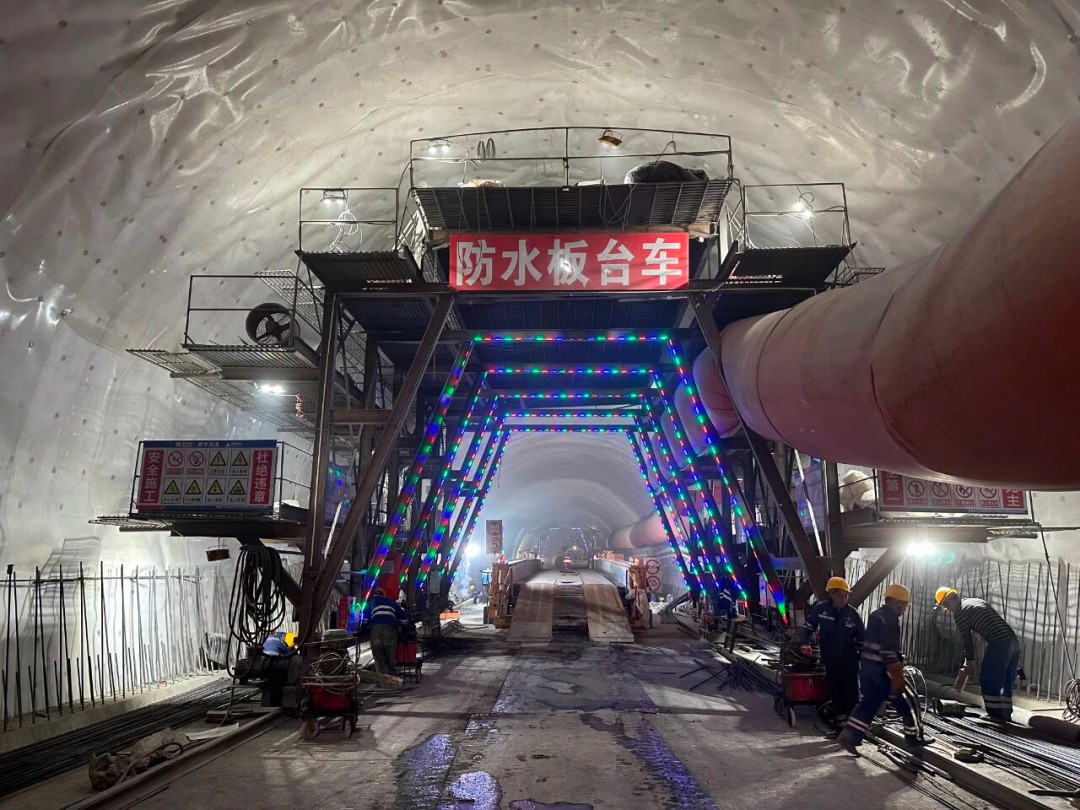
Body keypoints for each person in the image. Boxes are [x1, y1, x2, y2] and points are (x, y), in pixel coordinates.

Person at [837, 583, 933, 754]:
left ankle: (849, 736)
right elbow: (888, 650)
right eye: (904, 605)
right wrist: (896, 675)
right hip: (884, 672)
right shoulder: (890, 619)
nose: (904, 609)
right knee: (909, 701)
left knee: (868, 704)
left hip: (867, 670)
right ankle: (914, 738)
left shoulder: (875, 615)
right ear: (896, 602)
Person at [936, 587, 1022, 723]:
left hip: (999, 643)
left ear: (947, 602)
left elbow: (967, 638)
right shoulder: (975, 601)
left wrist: (969, 660)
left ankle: (995, 715)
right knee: (1006, 682)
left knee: (989, 678)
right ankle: (1006, 714)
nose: (949, 610)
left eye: (946, 607)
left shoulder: (960, 612)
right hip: (1014, 642)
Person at [799, 576, 864, 732]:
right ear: (831, 594)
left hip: (850, 661)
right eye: (840, 595)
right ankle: (840, 723)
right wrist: (805, 643)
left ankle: (852, 725)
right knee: (835, 691)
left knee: (852, 692)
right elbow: (808, 627)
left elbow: (862, 638)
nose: (844, 599)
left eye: (846, 596)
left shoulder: (853, 614)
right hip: (830, 659)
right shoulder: (821, 609)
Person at [368, 587, 408, 676]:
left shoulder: (371, 602)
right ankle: (392, 677)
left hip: (376, 630)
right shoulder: (391, 602)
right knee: (390, 653)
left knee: (378, 655)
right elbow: (404, 618)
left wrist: (365, 626)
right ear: (383, 595)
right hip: (389, 629)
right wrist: (404, 626)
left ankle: (383, 678)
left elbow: (365, 619)